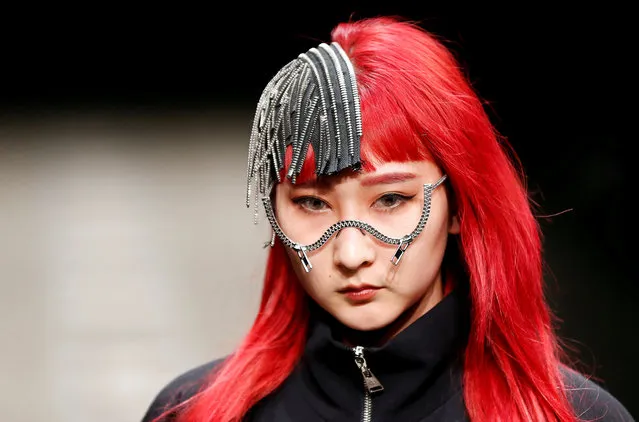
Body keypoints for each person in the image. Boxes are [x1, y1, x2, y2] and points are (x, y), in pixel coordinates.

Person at [140, 16, 634, 422]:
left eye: (391, 200)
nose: (352, 254)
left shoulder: (574, 417)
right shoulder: (192, 412)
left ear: (459, 204)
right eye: (312, 203)